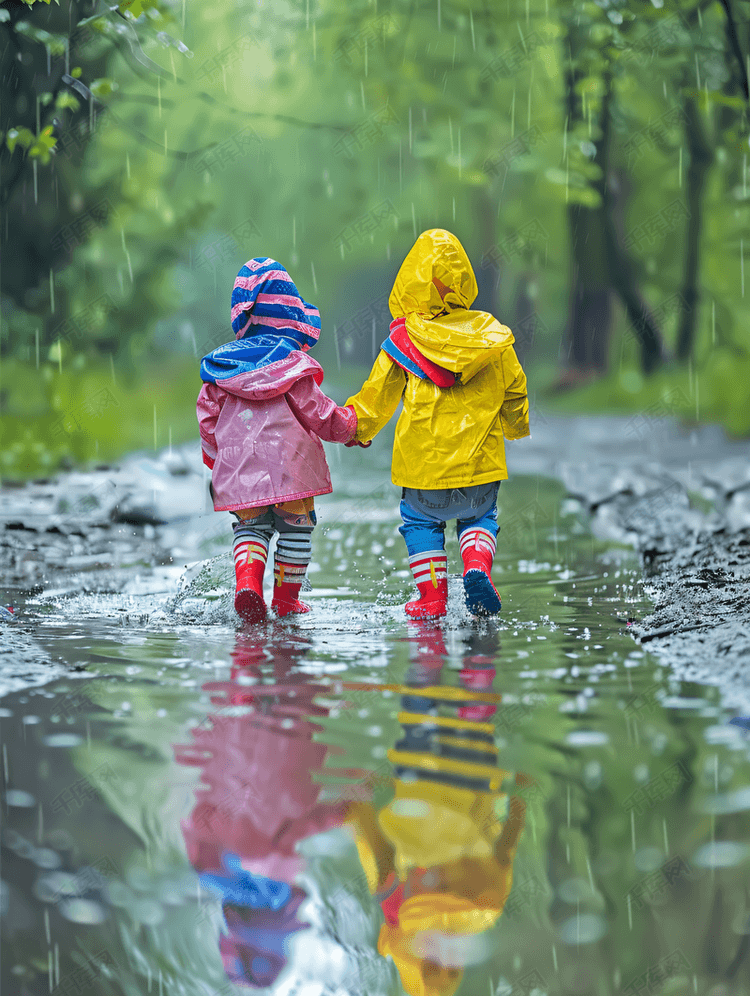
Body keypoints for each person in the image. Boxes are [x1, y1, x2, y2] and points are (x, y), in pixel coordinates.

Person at [345, 229, 530, 619]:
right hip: (479, 466)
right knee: (479, 518)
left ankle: (431, 597)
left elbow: (377, 395)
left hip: (423, 468)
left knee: (420, 523)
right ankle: (477, 567)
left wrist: (357, 427)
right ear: (462, 280)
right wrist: (514, 426)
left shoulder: (403, 340)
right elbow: (515, 387)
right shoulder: (489, 337)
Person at [197, 258, 359, 623]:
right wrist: (348, 428)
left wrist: (215, 460)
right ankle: (286, 599)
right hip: (292, 473)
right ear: (291, 320)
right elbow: (319, 413)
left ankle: (248, 586)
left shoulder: (220, 372)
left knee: (250, 529)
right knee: (295, 530)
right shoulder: (294, 368)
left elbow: (208, 421)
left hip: (242, 473)